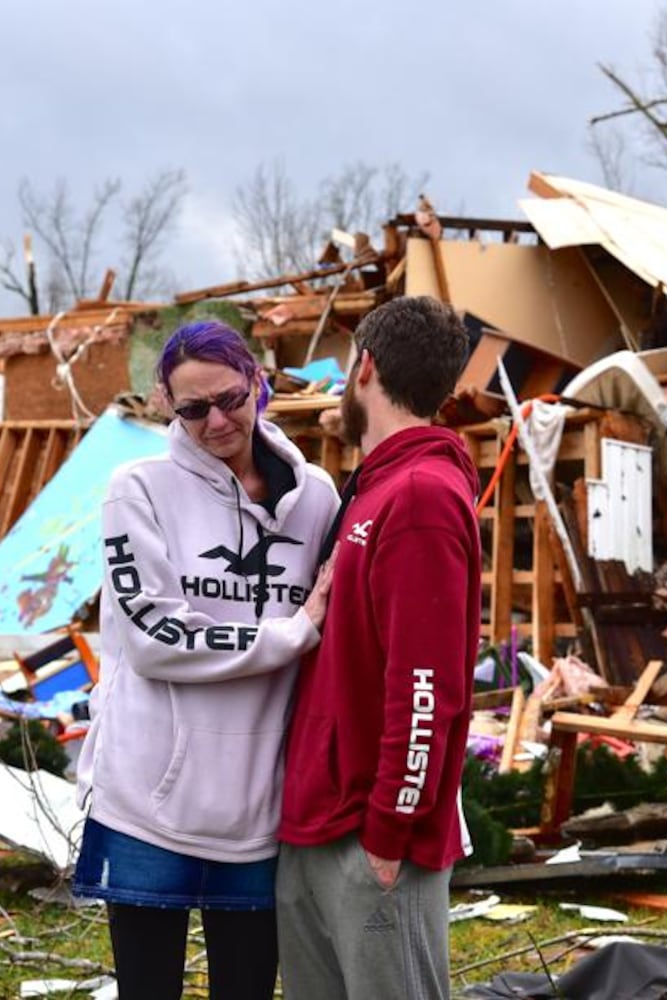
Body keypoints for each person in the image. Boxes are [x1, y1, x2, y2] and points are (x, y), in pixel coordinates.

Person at [73, 319, 339, 1000]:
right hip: (146, 801)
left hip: (257, 810)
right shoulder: (137, 490)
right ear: (167, 405)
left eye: (230, 398)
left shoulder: (317, 500)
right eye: (193, 409)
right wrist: (293, 631)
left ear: (259, 384)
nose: (216, 421)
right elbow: (153, 636)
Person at [276, 296, 481, 999]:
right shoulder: (374, 490)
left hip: (373, 840)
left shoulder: (422, 495)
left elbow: (429, 687)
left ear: (364, 368)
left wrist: (390, 834)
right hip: (320, 824)